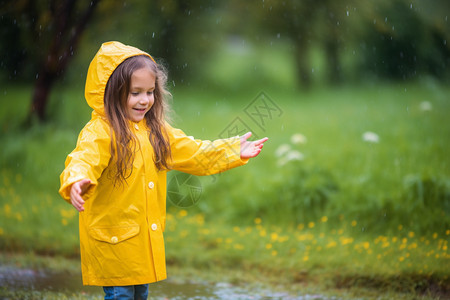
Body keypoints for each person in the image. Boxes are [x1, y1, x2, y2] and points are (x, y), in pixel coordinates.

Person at [59, 41, 268, 300]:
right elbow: (82, 158)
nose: (144, 100)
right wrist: (76, 180)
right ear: (111, 94)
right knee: (121, 295)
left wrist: (232, 150)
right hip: (113, 241)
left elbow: (194, 152)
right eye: (135, 93)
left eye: (150, 92)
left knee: (140, 295)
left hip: (141, 243)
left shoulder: (157, 132)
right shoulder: (100, 132)